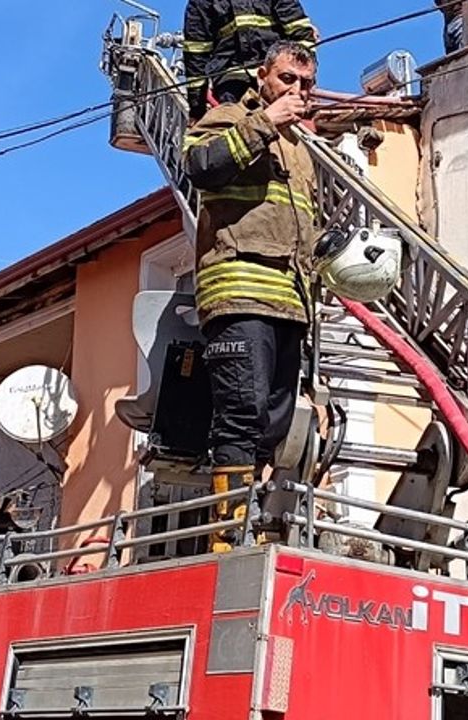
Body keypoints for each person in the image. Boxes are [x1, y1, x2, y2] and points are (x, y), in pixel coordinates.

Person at [182, 41, 319, 552]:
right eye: (287, 79)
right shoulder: (226, 118)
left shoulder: (303, 152)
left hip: (290, 298)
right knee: (242, 410)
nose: (297, 92)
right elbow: (201, 167)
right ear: (263, 76)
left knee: (276, 422)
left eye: (306, 84)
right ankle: (227, 534)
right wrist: (267, 122)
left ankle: (251, 517)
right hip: (238, 289)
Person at [183, 0, 317, 123]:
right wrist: (197, 109)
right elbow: (196, 56)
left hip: (275, 77)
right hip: (232, 82)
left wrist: (306, 85)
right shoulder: (200, 3)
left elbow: (301, 35)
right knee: (233, 123)